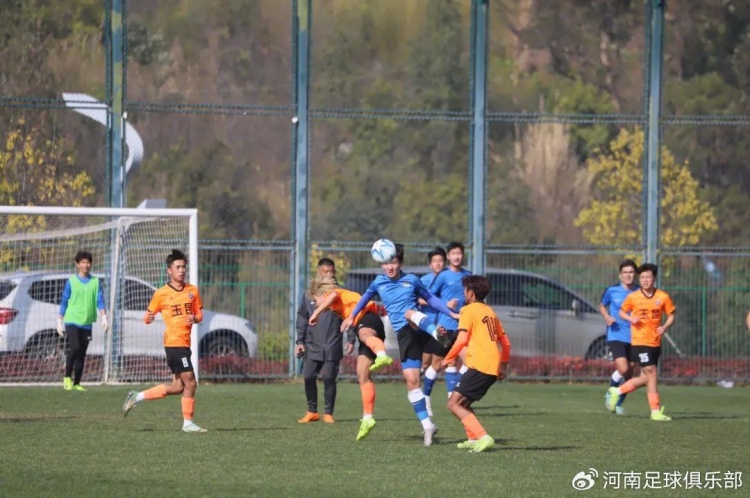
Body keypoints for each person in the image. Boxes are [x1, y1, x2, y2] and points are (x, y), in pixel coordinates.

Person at [341, 243, 458, 446]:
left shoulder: (411, 280)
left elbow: (431, 299)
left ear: (400, 263)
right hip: (406, 336)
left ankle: (441, 336)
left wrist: (451, 313)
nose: (390, 267)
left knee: (409, 313)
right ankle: (428, 426)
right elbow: (364, 298)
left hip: (422, 326)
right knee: (412, 382)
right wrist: (352, 316)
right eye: (386, 263)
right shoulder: (378, 282)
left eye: (394, 262)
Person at [122, 249, 207, 433]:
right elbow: (147, 317)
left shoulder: (192, 291)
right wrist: (149, 317)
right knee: (191, 383)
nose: (182, 270)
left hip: (184, 343)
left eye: (183, 267)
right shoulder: (161, 293)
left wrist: (195, 318)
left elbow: (199, 314)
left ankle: (137, 396)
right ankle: (188, 423)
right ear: (169, 270)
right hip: (174, 344)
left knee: (178, 387)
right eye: (178, 267)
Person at [308, 274, 393, 441]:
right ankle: (368, 418)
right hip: (366, 325)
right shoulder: (338, 307)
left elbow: (333, 295)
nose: (315, 304)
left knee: (365, 334)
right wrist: (351, 338)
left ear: (321, 294)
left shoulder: (333, 294)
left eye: (315, 301)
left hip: (368, 318)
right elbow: (350, 321)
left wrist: (316, 312)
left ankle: (382, 355)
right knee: (362, 375)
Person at [442, 275, 511, 453]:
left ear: (471, 293)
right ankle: (473, 439)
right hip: (491, 366)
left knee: (453, 404)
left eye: (465, 291)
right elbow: (506, 343)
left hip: (480, 365)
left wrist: (448, 358)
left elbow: (462, 339)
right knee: (463, 403)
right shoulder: (489, 311)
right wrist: (503, 366)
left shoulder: (468, 310)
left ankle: (483, 437)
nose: (463, 294)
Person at [607, 263, 675, 421]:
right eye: (642, 277)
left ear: (654, 278)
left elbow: (671, 314)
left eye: (648, 276)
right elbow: (621, 312)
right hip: (639, 341)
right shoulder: (634, 297)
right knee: (652, 372)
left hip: (655, 342)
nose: (645, 280)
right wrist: (630, 318)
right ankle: (655, 411)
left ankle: (617, 391)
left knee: (646, 378)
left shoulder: (662, 297)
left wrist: (665, 326)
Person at [294, 258, 344, 424]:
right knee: (308, 376)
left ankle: (328, 413)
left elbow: (349, 315)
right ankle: (312, 411)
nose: (329, 274)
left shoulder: (339, 293)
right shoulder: (309, 295)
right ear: (318, 272)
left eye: (331, 271)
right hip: (312, 343)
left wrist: (351, 338)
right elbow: (302, 317)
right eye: (325, 271)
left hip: (332, 343)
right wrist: (299, 341)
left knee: (329, 378)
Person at [426, 242, 471, 406]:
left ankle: (453, 398)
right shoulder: (443, 276)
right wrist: (446, 304)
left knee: (469, 362)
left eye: (459, 253)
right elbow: (428, 297)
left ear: (463, 255)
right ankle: (425, 398)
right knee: (437, 364)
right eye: (453, 253)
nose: (456, 257)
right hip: (443, 328)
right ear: (448, 256)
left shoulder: (468, 276)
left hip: (462, 328)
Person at [57, 250, 108, 391]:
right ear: (77, 264)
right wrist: (60, 319)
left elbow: (100, 300)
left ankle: (77, 383)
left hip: (87, 322)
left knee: (82, 353)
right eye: (83, 262)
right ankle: (67, 377)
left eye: (88, 262)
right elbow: (64, 300)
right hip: (72, 320)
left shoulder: (95, 282)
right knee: (75, 347)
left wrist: (104, 316)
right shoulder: (71, 282)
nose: (86, 265)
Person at [599, 259, 638, 415]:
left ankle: (617, 404)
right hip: (616, 334)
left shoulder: (640, 292)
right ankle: (611, 394)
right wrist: (607, 317)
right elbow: (602, 305)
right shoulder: (612, 290)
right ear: (620, 275)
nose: (628, 275)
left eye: (631, 272)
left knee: (630, 374)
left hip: (635, 337)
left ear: (635, 274)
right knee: (623, 368)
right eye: (625, 272)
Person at [418, 246, 447, 376]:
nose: (438, 264)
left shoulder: (448, 279)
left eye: (440, 261)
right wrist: (437, 303)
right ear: (430, 264)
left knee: (440, 362)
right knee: (425, 363)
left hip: (444, 326)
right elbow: (417, 299)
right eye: (434, 261)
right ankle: (418, 380)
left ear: (444, 263)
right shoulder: (424, 281)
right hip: (427, 325)